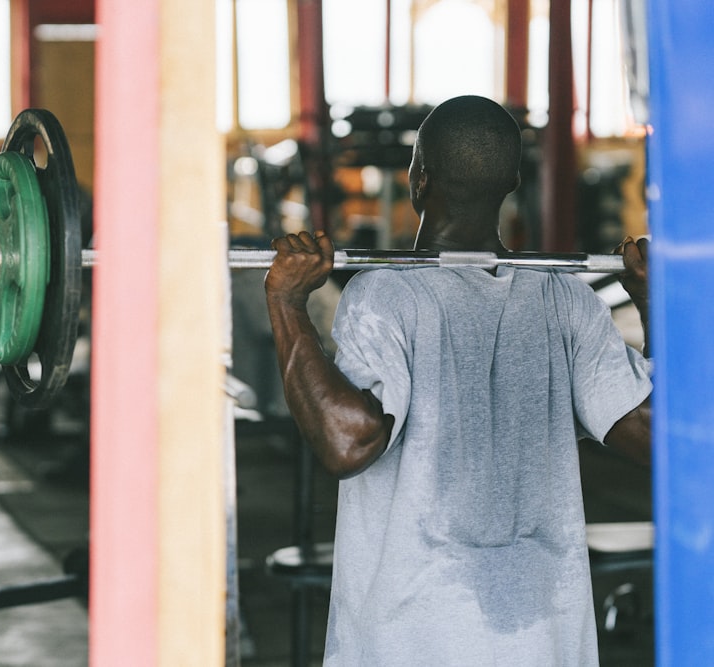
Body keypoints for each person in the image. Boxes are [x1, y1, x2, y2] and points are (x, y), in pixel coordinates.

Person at [264, 95, 652, 666]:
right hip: (538, 636)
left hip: (410, 641)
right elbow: (656, 435)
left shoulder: (385, 295)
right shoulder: (565, 298)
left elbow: (347, 443)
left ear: (418, 177)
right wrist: (655, 307)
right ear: (514, 181)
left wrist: (288, 303)